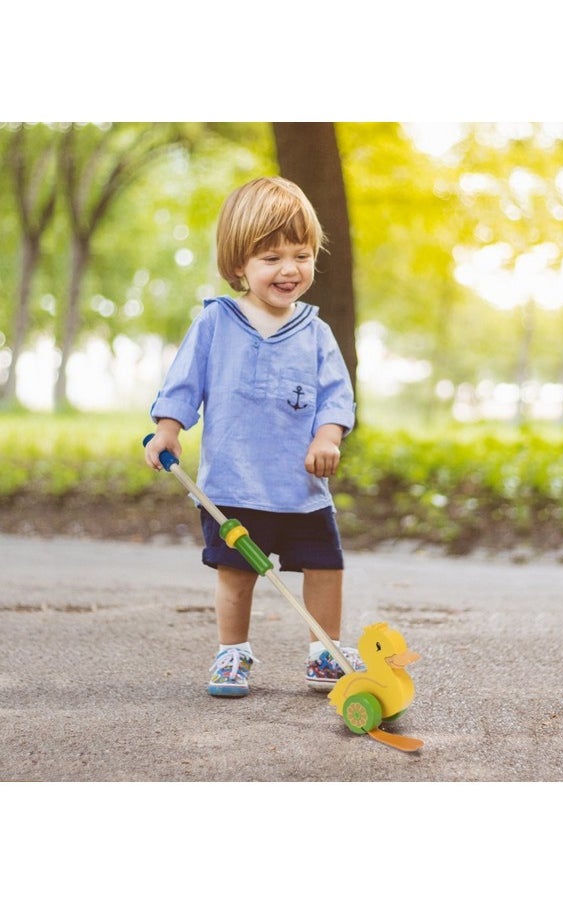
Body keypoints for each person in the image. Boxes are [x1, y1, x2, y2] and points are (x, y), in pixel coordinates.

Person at [144, 176, 365, 698]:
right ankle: (232, 653)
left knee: (325, 566)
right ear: (238, 264)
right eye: (271, 257)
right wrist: (167, 429)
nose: (289, 269)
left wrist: (327, 437)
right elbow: (184, 383)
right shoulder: (215, 324)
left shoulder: (316, 332)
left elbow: (337, 396)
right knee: (236, 573)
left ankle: (324, 652)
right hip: (233, 483)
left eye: (301, 255)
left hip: (301, 487)